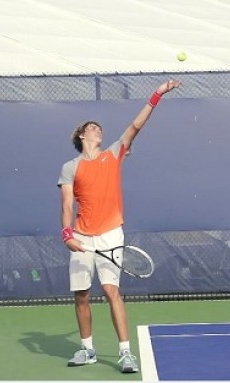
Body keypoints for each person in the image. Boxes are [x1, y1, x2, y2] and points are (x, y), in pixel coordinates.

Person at [57, 80, 181, 373]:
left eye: (100, 128)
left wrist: (157, 94)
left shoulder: (113, 153)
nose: (98, 129)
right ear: (81, 135)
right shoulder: (70, 167)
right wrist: (67, 235)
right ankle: (88, 350)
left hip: (111, 233)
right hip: (82, 236)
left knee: (112, 291)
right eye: (92, 127)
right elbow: (66, 205)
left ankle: (126, 353)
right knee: (82, 294)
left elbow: (136, 126)